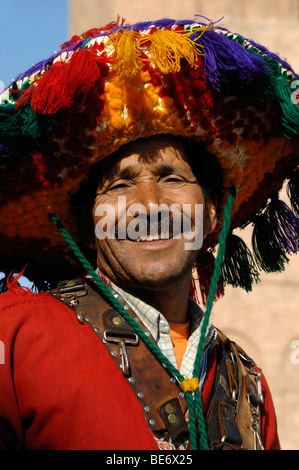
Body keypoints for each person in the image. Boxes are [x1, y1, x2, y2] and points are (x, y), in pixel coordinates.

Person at [0, 17, 298, 451]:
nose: (149, 205)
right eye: (120, 184)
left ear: (212, 213)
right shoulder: (16, 336)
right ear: (88, 227)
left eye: (172, 178)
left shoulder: (248, 384)